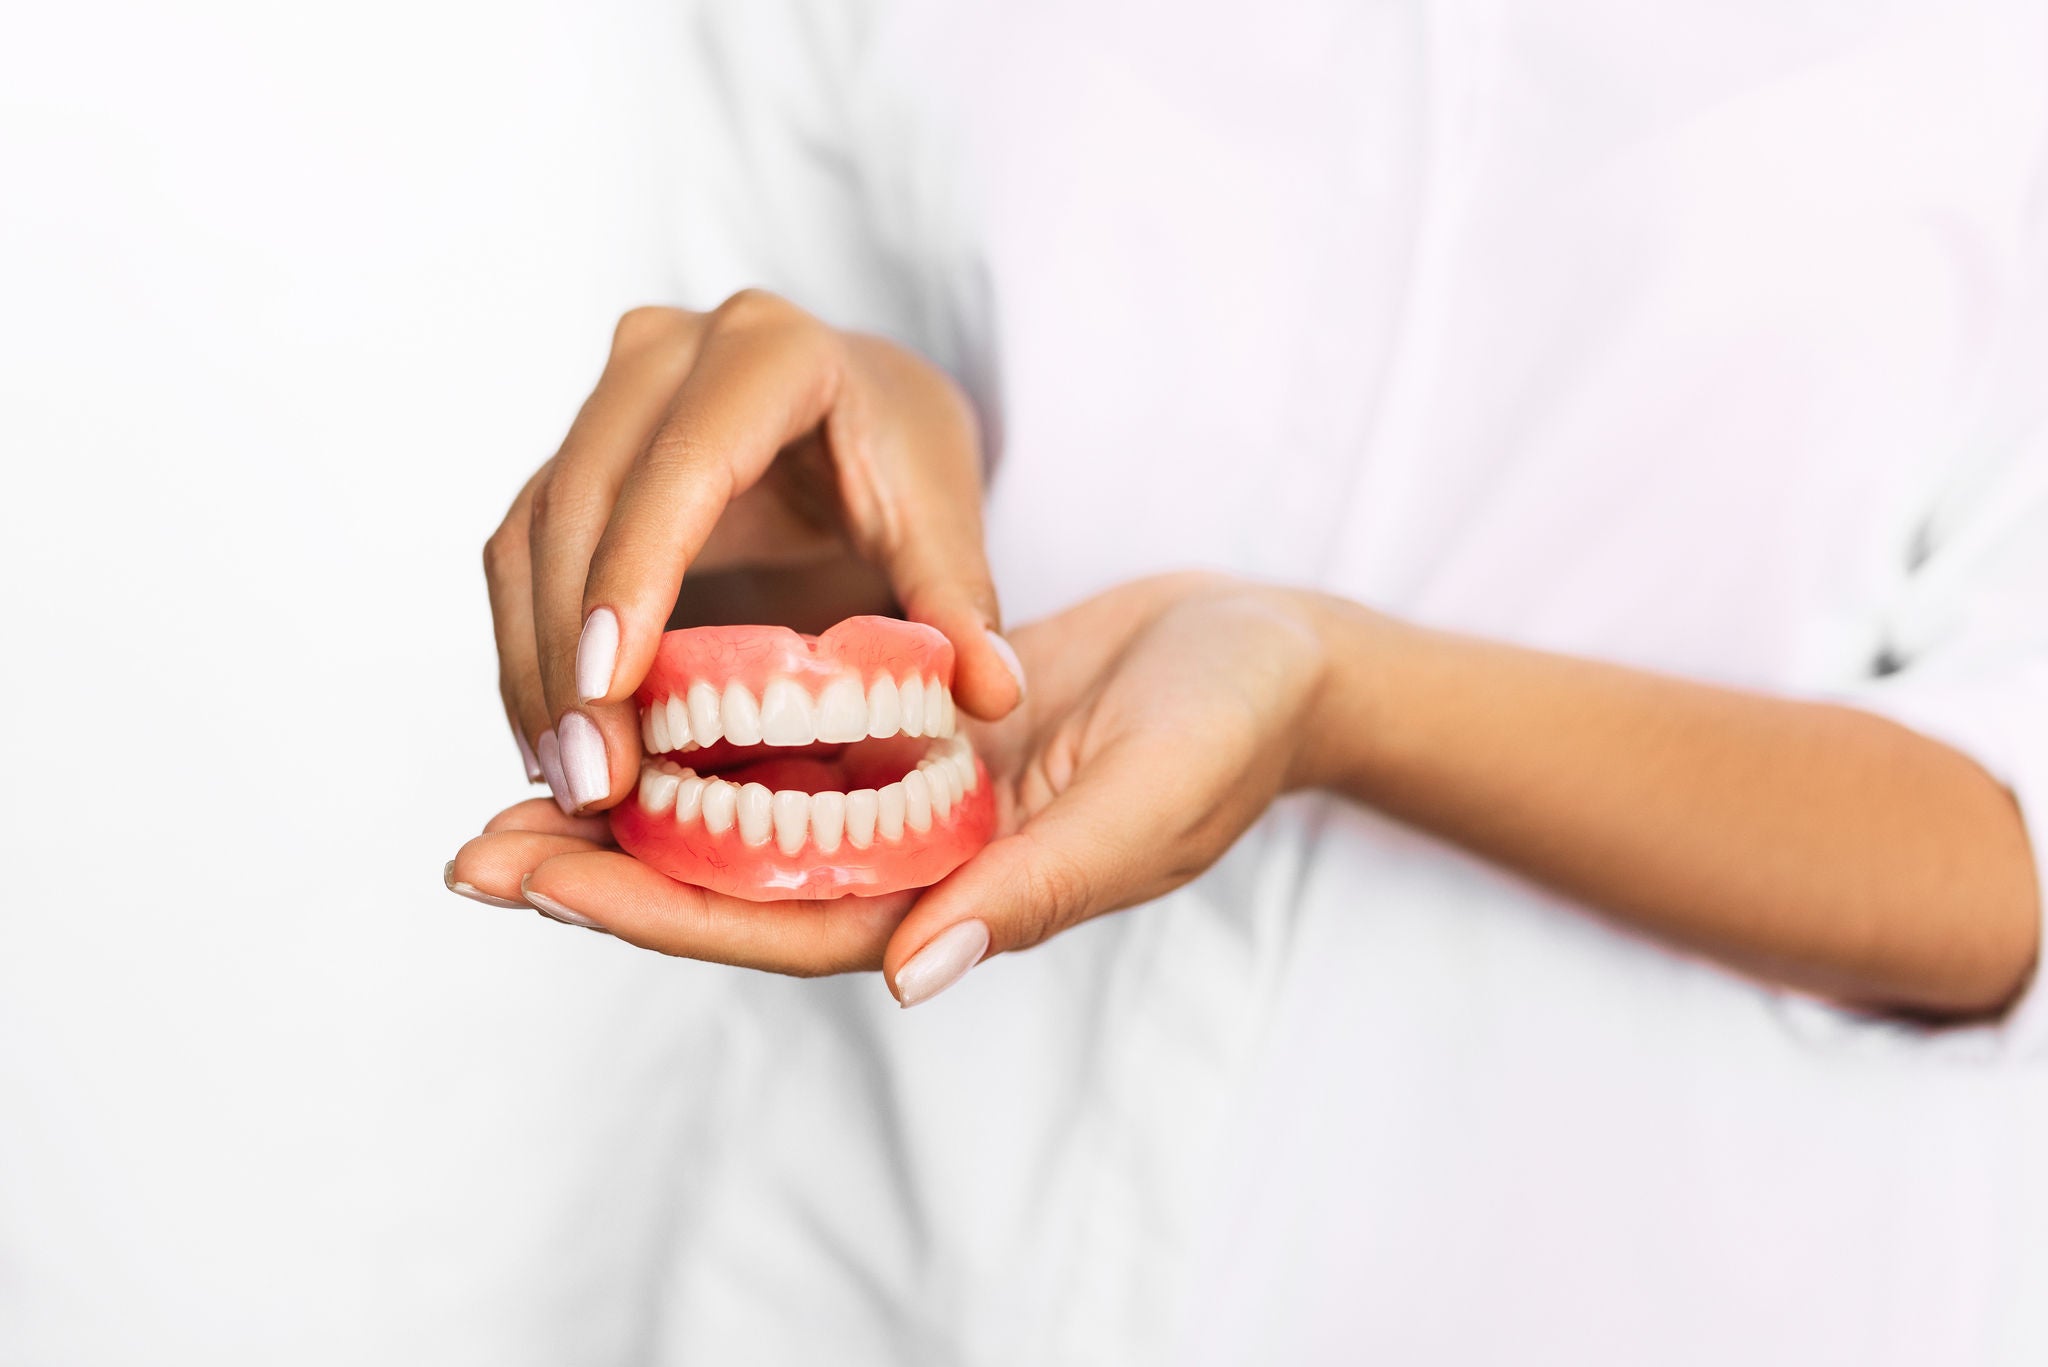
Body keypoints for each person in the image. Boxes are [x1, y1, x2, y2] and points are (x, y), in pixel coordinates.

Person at [447, 3, 2048, 1360]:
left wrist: (1343, 695)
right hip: (874, 1261)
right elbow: (823, 519)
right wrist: (807, 481)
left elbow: (2009, 846)